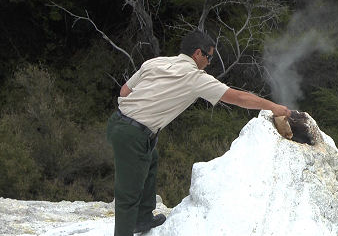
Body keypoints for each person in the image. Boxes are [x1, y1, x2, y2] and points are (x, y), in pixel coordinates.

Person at [106, 30, 290, 235]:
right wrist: (273, 107)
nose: (209, 62)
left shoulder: (155, 63)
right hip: (133, 134)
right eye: (209, 57)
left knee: (150, 159)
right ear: (197, 54)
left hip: (119, 123)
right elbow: (237, 97)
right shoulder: (195, 78)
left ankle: (142, 219)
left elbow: (124, 91)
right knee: (128, 193)